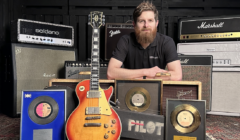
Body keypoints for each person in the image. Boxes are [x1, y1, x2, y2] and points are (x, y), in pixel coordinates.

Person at [107, 1, 182, 81]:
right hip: (130, 90)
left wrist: (142, 77)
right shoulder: (125, 41)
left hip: (158, 91)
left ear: (156, 23)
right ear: (134, 24)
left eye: (150, 20)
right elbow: (111, 73)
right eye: (141, 21)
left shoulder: (166, 42)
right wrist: (147, 72)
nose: (146, 25)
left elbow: (177, 76)